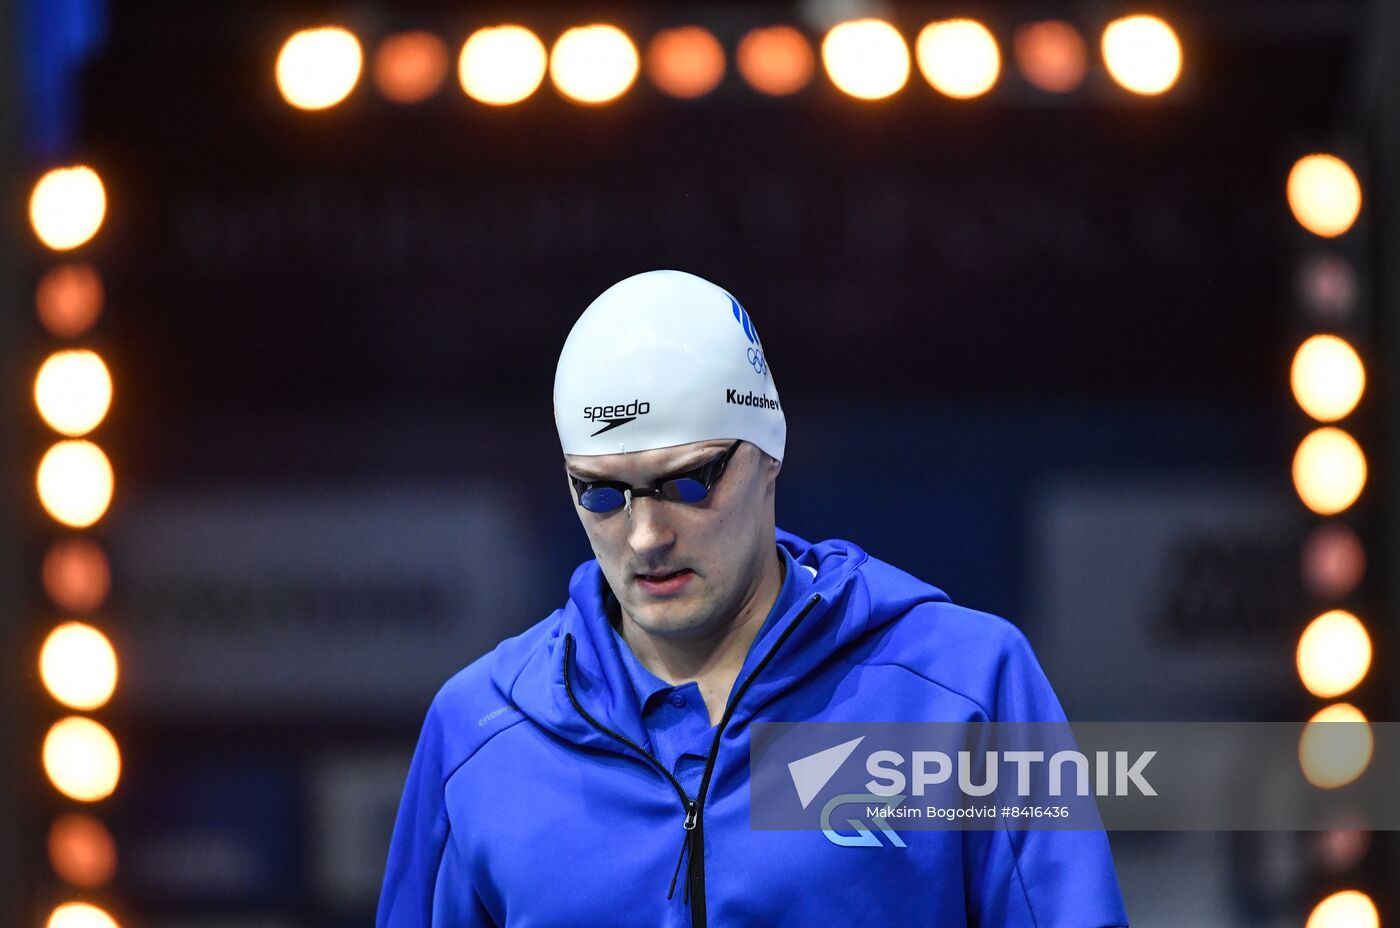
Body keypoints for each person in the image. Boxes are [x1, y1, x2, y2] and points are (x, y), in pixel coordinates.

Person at [376, 270, 1129, 927]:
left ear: (769, 449)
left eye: (688, 482)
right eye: (601, 494)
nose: (645, 536)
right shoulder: (479, 734)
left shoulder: (961, 690)